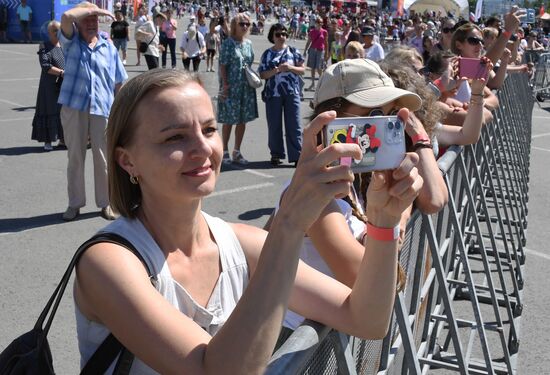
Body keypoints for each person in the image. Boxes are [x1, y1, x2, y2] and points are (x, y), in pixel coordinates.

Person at [73, 67, 422, 375]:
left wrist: (383, 222)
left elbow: (368, 320)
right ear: (126, 160)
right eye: (174, 137)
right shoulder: (109, 262)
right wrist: (288, 224)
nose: (202, 148)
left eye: (209, 129)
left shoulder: (239, 241)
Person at [58, 1, 128, 221]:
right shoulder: (70, 43)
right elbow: (67, 16)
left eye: (95, 19)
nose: (92, 23)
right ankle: (75, 203)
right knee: (75, 156)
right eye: (87, 19)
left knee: (103, 157)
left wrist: (124, 110)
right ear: (78, 23)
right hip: (74, 106)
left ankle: (106, 203)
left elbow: (119, 82)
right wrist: (94, 9)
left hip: (103, 107)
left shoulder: (109, 48)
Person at [258, 23, 305, 166]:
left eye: (284, 34)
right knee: (274, 125)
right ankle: (276, 154)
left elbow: (303, 70)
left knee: (294, 124)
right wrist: (277, 70)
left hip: (292, 92)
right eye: (278, 34)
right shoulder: (267, 54)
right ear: (272, 36)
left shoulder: (293, 51)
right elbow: (262, 74)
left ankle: (297, 155)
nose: (281, 37)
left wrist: (290, 67)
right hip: (273, 93)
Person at [217, 13, 258, 165]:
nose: (245, 26)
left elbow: (250, 62)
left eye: (247, 24)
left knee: (242, 120)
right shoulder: (228, 43)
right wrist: (225, 85)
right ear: (235, 25)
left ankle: (237, 151)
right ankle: (225, 151)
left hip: (246, 87)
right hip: (231, 86)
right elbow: (222, 65)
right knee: (228, 120)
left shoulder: (248, 44)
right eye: (242, 24)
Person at [31, 21, 65, 151]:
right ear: (49, 32)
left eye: (59, 30)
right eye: (55, 30)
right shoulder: (44, 45)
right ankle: (48, 140)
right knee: (48, 110)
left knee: (63, 112)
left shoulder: (64, 45)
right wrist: (62, 73)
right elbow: (46, 66)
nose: (57, 32)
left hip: (63, 84)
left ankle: (62, 140)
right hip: (49, 85)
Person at [303, 16, 328, 91]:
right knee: (312, 67)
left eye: (320, 22)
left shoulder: (324, 32)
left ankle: (322, 82)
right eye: (318, 22)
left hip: (320, 50)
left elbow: (326, 43)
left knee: (319, 67)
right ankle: (313, 83)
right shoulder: (312, 31)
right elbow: (308, 42)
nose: (319, 24)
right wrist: (305, 51)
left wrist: (326, 53)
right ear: (315, 23)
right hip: (313, 50)